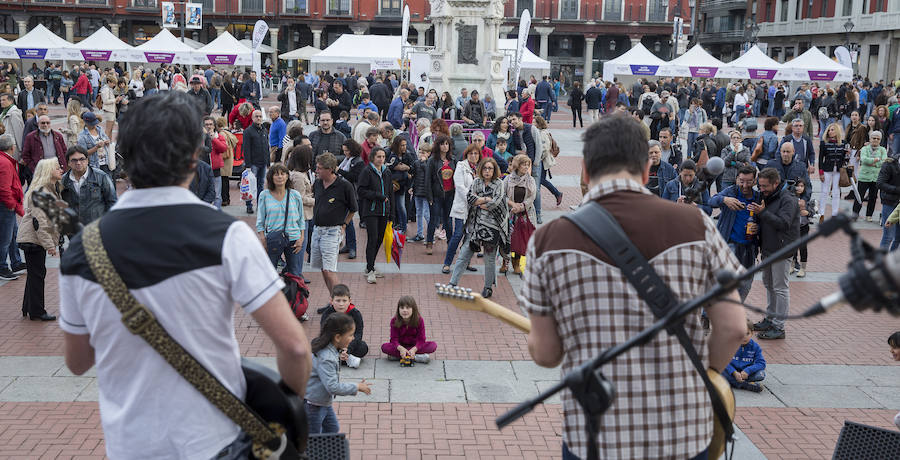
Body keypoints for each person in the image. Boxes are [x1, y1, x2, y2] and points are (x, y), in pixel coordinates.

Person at [59, 91, 311, 459]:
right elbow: (295, 346)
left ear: (126, 157)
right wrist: (286, 409)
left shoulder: (83, 250)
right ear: (195, 157)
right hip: (213, 441)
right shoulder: (226, 235)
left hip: (130, 444)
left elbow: (78, 362)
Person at [521, 114, 746, 459]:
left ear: (584, 169)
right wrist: (702, 373)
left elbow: (547, 353)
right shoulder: (695, 224)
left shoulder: (549, 240)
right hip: (682, 434)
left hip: (595, 438)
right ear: (645, 171)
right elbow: (733, 328)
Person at [448, 157, 508, 299]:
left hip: (492, 227)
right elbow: (469, 198)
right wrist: (486, 199)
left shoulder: (499, 184)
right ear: (481, 169)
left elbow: (496, 202)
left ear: (494, 170)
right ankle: (453, 283)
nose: (487, 171)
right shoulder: (476, 182)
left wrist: (481, 201)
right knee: (464, 255)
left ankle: (488, 287)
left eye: (490, 168)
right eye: (485, 168)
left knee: (489, 259)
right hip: (475, 226)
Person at [750, 168, 800, 340]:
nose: (761, 189)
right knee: (769, 284)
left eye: (764, 186)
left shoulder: (788, 199)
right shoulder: (768, 196)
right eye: (760, 186)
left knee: (780, 288)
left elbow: (784, 223)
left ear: (776, 183)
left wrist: (762, 213)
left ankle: (779, 326)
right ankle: (770, 318)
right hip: (768, 248)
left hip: (782, 249)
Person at [305, 312, 371, 434]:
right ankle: (311, 452)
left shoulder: (332, 350)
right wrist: (356, 387)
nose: (353, 338)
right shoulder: (327, 357)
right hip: (314, 405)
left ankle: (325, 451)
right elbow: (333, 387)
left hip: (322, 401)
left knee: (332, 429)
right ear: (337, 337)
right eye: (350, 335)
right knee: (313, 437)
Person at [16, 158, 62, 320]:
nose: (61, 170)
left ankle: (28, 307)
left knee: (35, 273)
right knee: (37, 274)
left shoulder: (48, 189)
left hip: (33, 239)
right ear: (48, 171)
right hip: (33, 240)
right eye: (57, 168)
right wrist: (49, 245)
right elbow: (40, 221)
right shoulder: (41, 191)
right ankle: (37, 311)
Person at [311, 152, 357, 294]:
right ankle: (333, 301)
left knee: (329, 270)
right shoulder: (318, 183)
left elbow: (353, 209)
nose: (316, 171)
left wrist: (343, 225)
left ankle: (342, 302)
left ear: (330, 169)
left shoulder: (344, 186)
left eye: (319, 168)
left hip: (332, 232)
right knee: (323, 269)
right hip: (317, 230)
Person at [256, 163, 305, 277]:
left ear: (287, 176)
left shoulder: (295, 195)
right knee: (269, 273)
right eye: (276, 174)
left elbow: (301, 219)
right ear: (271, 177)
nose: (280, 177)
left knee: (294, 274)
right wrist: (263, 238)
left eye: (283, 174)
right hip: (273, 238)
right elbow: (260, 220)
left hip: (293, 238)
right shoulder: (264, 195)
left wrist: (301, 238)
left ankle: (292, 294)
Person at [442, 144, 481, 274]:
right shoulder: (461, 166)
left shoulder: (480, 168)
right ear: (466, 155)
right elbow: (459, 186)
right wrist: (473, 199)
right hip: (462, 206)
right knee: (458, 234)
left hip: (475, 209)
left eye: (476, 154)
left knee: (470, 236)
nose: (473, 156)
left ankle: (466, 262)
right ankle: (447, 263)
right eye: (471, 154)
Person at [356, 147, 392, 284]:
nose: (381, 159)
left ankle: (370, 265)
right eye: (379, 157)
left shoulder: (386, 172)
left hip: (384, 211)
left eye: (383, 157)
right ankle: (369, 269)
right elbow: (361, 191)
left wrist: (391, 213)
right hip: (371, 211)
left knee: (379, 239)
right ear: (373, 157)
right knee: (372, 238)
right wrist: (378, 196)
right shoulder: (367, 171)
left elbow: (390, 193)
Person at [59, 146, 117, 225]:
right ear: (68, 163)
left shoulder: (101, 176)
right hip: (74, 230)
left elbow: (112, 201)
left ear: (87, 160)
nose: (78, 163)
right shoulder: (64, 181)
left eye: (82, 159)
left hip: (97, 227)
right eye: (74, 160)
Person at [317, 284, 368, 368]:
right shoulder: (327, 314)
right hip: (333, 344)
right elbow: (324, 334)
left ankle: (338, 358)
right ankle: (347, 359)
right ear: (331, 301)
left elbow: (358, 334)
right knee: (315, 343)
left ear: (349, 301)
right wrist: (336, 348)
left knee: (363, 347)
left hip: (349, 344)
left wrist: (348, 349)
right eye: (338, 300)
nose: (341, 304)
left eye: (344, 301)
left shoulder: (355, 314)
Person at [503, 154, 536, 275]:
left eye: (528, 164)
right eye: (524, 164)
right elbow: (503, 195)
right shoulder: (508, 179)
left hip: (524, 213)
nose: (526, 167)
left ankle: (516, 263)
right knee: (507, 238)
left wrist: (521, 206)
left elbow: (532, 197)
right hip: (510, 212)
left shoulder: (530, 180)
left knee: (520, 238)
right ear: (517, 165)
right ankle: (505, 262)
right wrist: (512, 205)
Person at [425, 135, 456, 255]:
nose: (445, 146)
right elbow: (427, 180)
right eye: (442, 144)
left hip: (449, 195)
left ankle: (450, 243)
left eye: (447, 144)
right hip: (436, 195)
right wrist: (429, 197)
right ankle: (429, 243)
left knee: (448, 221)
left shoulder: (453, 160)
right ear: (438, 145)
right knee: (434, 220)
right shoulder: (432, 161)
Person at [381, 295, 436, 363]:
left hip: (415, 346)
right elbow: (393, 339)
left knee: (432, 345)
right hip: (400, 346)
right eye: (402, 308)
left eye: (408, 308)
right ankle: (416, 357)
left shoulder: (419, 320)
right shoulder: (394, 321)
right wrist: (401, 348)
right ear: (398, 309)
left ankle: (400, 356)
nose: (404, 310)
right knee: (384, 347)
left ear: (413, 309)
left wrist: (414, 349)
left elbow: (421, 339)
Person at [0, 133, 24, 280]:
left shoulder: (5, 160)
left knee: (13, 234)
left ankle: (16, 262)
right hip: (5, 206)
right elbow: (4, 189)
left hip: (7, 205)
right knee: (5, 238)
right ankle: (2, 267)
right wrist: (11, 205)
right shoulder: (5, 162)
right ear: (12, 147)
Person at [722, 319, 767, 393]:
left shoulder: (755, 347)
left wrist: (748, 371)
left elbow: (761, 363)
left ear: (752, 333)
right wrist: (734, 372)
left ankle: (732, 382)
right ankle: (744, 385)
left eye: (747, 333)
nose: (744, 337)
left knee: (761, 375)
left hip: (746, 374)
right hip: (732, 372)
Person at [853, 131, 887, 221]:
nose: (875, 140)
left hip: (876, 178)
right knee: (859, 196)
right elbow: (863, 160)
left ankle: (869, 215)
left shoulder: (882, 150)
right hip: (864, 177)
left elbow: (884, 161)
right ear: (870, 139)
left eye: (878, 138)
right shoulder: (864, 148)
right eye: (874, 138)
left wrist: (873, 163)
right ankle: (855, 214)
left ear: (880, 140)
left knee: (873, 197)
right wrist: (876, 160)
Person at [818, 123, 849, 220]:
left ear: (837, 131)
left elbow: (845, 159)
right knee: (824, 191)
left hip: (838, 170)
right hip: (827, 169)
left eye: (832, 130)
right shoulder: (823, 143)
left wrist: (847, 154)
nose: (830, 132)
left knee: (836, 192)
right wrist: (820, 172)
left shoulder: (843, 143)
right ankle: (821, 214)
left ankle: (834, 214)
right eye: (829, 130)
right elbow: (820, 159)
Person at [242, 110, 269, 214]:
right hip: (253, 163)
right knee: (250, 185)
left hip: (263, 162)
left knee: (261, 185)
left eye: (260, 116)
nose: (259, 118)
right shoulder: (248, 131)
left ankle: (260, 205)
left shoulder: (264, 130)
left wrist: (267, 162)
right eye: (256, 116)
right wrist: (248, 165)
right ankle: (249, 205)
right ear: (252, 118)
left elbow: (266, 146)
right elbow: (246, 148)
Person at [789, 180, 815, 278]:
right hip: (792, 227)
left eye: (802, 186)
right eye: (798, 186)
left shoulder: (806, 200)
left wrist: (807, 213)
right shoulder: (790, 198)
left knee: (803, 247)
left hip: (804, 227)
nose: (799, 188)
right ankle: (792, 265)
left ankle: (803, 268)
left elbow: (813, 213)